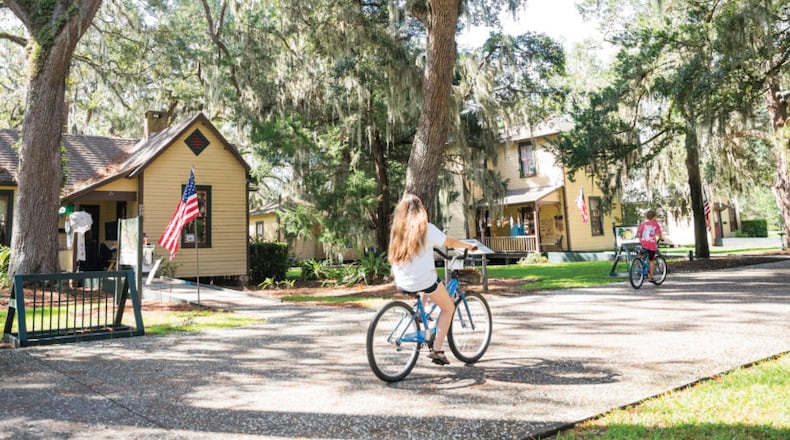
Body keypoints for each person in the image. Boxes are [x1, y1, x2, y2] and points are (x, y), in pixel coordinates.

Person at [388, 193, 477, 366]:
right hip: (422, 281)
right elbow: (448, 242)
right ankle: (437, 349)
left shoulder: (397, 231)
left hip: (402, 281)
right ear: (421, 210)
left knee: (427, 284)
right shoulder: (425, 228)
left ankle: (421, 314)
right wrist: (468, 246)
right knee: (448, 307)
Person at [636, 209, 663, 282]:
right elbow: (658, 234)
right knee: (652, 260)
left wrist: (638, 236)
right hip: (651, 245)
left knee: (641, 255)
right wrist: (661, 238)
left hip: (644, 243)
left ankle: (637, 264)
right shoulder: (655, 224)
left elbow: (639, 232)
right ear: (654, 217)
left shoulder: (643, 224)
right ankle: (651, 277)